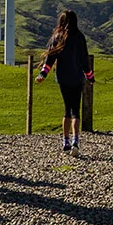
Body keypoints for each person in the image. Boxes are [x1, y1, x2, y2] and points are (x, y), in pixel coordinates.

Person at [35, 10, 94, 157]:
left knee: (67, 110)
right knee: (76, 111)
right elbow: (84, 60)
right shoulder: (80, 37)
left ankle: (65, 141)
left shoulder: (57, 37)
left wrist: (43, 74)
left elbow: (50, 59)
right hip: (77, 78)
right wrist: (90, 76)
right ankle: (75, 142)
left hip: (62, 78)